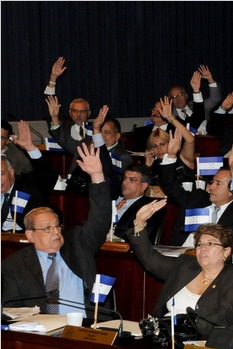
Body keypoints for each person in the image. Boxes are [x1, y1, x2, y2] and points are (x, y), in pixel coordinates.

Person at [2, 143, 111, 315]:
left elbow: (100, 219)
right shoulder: (14, 265)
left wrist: (97, 176)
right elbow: (9, 311)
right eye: (47, 229)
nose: (56, 232)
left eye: (57, 226)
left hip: (82, 328)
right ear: (30, 235)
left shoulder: (78, 244)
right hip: (41, 333)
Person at [126, 199, 233, 336]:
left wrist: (179, 328)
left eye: (211, 244)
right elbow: (151, 260)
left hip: (199, 343)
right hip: (163, 334)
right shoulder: (186, 265)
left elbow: (222, 319)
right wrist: (139, 222)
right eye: (200, 244)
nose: (203, 248)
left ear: (226, 252)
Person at [158, 157, 233, 246]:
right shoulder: (197, 199)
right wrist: (171, 156)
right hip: (180, 257)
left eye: (218, 183)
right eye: (212, 182)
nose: (211, 187)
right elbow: (169, 186)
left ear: (232, 190)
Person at [1, 121, 59, 232]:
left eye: (1, 174)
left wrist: (30, 147)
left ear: (11, 172)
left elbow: (47, 176)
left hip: (23, 236)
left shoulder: (27, 184)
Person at [145, 97, 196, 184]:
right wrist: (147, 168)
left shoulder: (183, 158)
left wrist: (171, 118)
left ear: (170, 143)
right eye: (154, 146)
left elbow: (190, 140)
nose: (159, 149)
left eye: (162, 144)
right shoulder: (153, 164)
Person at [112, 164, 164, 243]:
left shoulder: (147, 208)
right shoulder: (113, 199)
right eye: (124, 178)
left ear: (143, 186)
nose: (125, 182)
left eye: (132, 180)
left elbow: (140, 238)